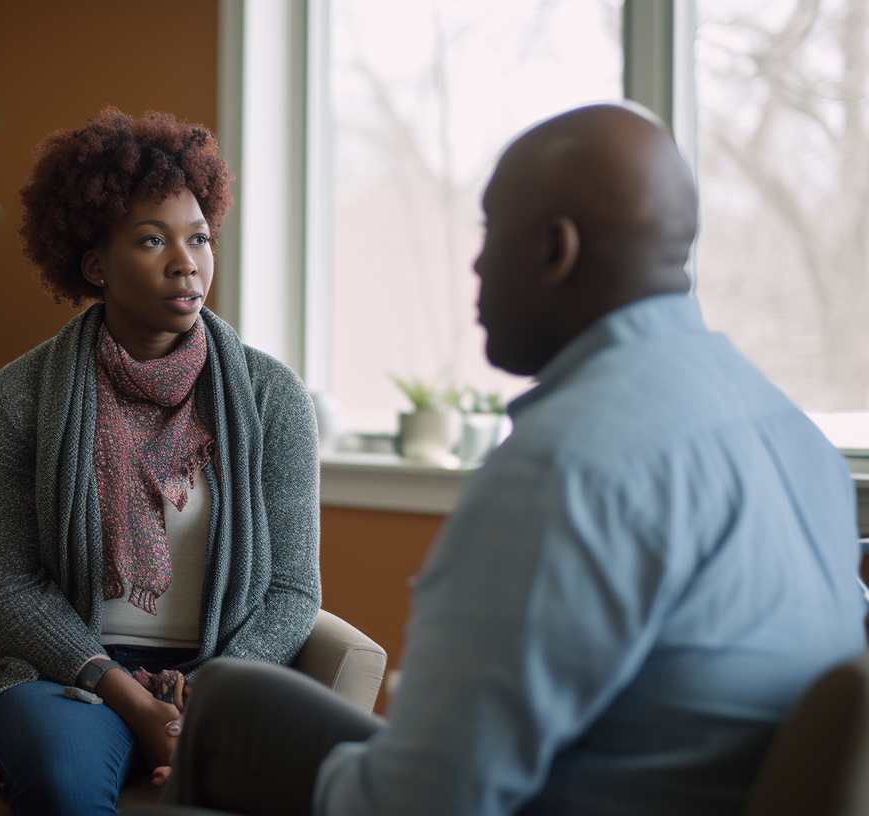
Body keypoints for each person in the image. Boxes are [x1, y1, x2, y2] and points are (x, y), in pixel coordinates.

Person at [147, 104, 868, 816]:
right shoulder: (790, 433)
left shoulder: (569, 467)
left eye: (491, 232)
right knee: (235, 697)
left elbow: (423, 804)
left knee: (230, 738)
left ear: (557, 249)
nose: (478, 262)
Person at [0, 108, 322, 816]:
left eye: (200, 238)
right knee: (63, 784)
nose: (187, 262)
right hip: (65, 674)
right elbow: (7, 593)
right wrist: (128, 698)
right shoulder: (18, 397)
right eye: (153, 240)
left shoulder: (273, 399)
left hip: (226, 673)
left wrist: (205, 693)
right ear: (95, 264)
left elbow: (293, 591)